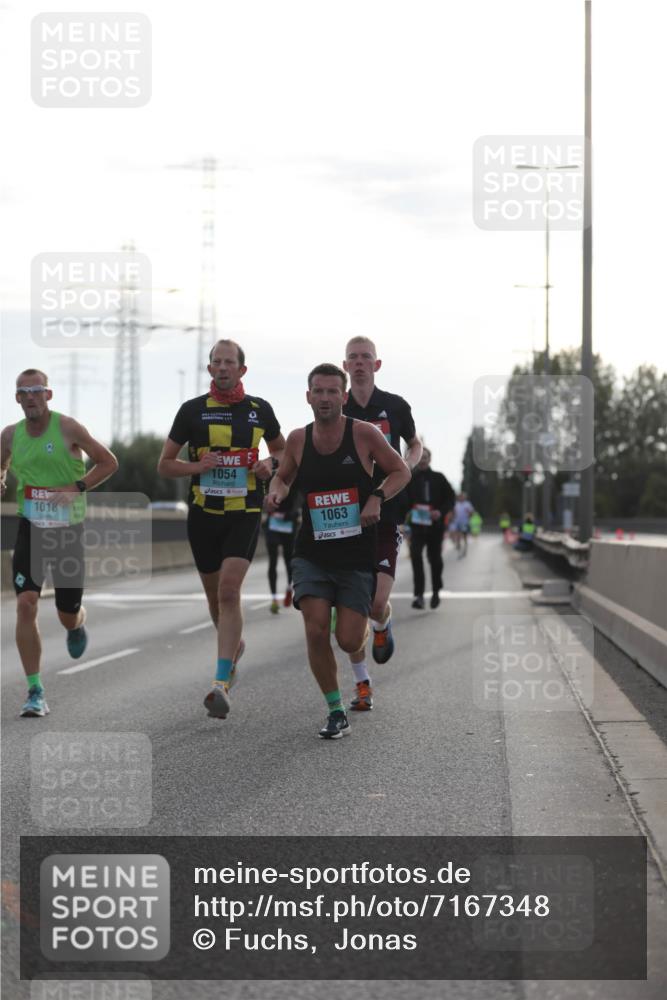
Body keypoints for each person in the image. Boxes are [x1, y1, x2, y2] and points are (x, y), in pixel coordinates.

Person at [266, 364, 410, 738]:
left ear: (343, 397)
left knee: (347, 639)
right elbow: (284, 474)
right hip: (312, 552)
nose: (326, 398)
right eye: (319, 391)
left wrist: (376, 497)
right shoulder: (298, 439)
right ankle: (334, 709)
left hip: (355, 554)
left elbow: (400, 472)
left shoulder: (363, 435)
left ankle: (372, 628)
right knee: (315, 629)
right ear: (308, 396)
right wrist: (277, 491)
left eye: (333, 392)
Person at [157, 339, 285, 719]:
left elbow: (284, 453)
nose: (224, 368)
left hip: (244, 512)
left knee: (230, 592)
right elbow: (164, 465)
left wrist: (269, 466)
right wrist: (199, 466)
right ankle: (232, 650)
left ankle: (220, 682)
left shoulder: (259, 410)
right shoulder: (192, 411)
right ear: (210, 369)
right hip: (203, 515)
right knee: (216, 602)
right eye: (217, 362)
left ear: (242, 370)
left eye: (230, 362)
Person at [0, 369, 118, 717]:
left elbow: (109, 461)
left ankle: (77, 623)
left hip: (68, 530)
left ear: (48, 395)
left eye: (36, 391)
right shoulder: (9, 435)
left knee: (66, 612)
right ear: (17, 398)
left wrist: (76, 487)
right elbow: (0, 464)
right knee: (26, 603)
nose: (30, 397)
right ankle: (35, 689)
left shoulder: (68, 428)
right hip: (31, 528)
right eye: (23, 392)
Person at [341, 336, 421, 709]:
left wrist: (407, 464)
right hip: (344, 515)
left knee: (374, 604)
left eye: (366, 358)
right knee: (351, 609)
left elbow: (414, 443)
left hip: (386, 511)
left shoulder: (394, 406)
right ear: (345, 365)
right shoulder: (334, 406)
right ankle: (361, 684)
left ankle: (383, 623)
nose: (359, 363)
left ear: (377, 364)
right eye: (353, 358)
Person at [404, 447, 455, 609]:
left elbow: (450, 498)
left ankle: (435, 592)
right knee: (416, 555)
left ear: (430, 459)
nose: (423, 460)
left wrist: (440, 512)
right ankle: (419, 595)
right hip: (417, 526)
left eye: (425, 457)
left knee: (435, 560)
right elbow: (403, 500)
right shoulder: (410, 479)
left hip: (435, 526)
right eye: (421, 457)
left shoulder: (439, 478)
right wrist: (405, 515)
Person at [264, 480, 300, 613]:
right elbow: (263, 497)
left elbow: (300, 498)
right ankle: (274, 599)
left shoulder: (294, 474)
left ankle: (289, 589)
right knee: (272, 560)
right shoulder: (272, 474)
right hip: (273, 523)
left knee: (289, 561)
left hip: (289, 523)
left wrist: (294, 512)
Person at [450, 492, 475, 557]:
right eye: (460, 497)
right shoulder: (456, 504)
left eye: (462, 496)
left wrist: (469, 513)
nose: (461, 498)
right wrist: (452, 517)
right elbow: (453, 512)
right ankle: (458, 545)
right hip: (457, 522)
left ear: (464, 497)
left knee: (464, 535)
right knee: (457, 534)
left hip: (465, 522)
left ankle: (465, 546)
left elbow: (472, 513)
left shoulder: (467, 504)